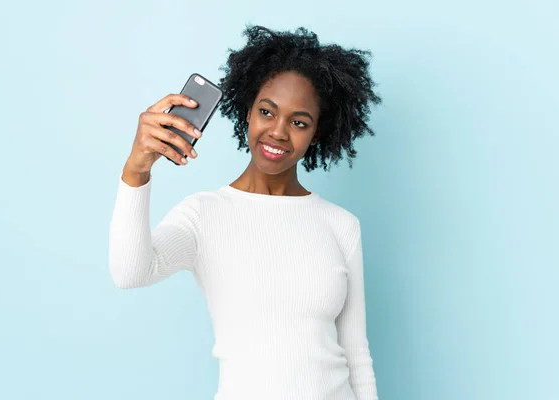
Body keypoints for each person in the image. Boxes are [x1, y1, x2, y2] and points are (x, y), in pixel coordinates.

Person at [109, 25, 382, 400]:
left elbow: (356, 354)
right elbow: (130, 272)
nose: (278, 132)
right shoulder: (204, 214)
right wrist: (136, 171)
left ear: (317, 133)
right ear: (248, 111)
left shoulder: (341, 225)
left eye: (299, 122)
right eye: (267, 112)